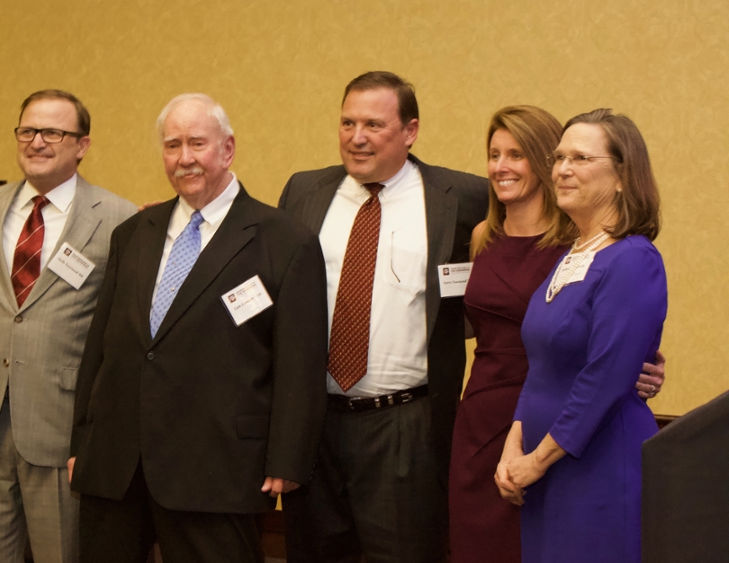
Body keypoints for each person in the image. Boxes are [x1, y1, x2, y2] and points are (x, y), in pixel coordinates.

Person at [68, 93, 328, 563]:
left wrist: (287, 457)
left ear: (227, 149)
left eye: (196, 143)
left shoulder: (284, 240)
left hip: (218, 466)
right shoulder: (133, 233)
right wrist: (81, 441)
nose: (184, 158)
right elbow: (102, 347)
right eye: (172, 146)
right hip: (116, 463)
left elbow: (300, 361)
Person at [277, 71, 487, 562]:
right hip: (314, 426)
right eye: (347, 122)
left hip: (405, 427)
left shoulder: (463, 198)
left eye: (373, 124)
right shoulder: (304, 193)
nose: (357, 137)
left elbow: (521, 278)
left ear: (410, 131)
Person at [449, 106, 665, 563]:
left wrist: (536, 459)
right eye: (560, 157)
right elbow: (541, 360)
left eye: (581, 159)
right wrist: (516, 442)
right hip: (539, 454)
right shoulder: (574, 256)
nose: (564, 169)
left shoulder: (632, 258)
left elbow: (604, 375)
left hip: (595, 459)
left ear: (623, 176)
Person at [0, 89, 136, 563]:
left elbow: (121, 327)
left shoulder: (120, 219)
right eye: (28, 131)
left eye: (53, 132)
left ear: (82, 145)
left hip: (61, 424)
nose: (37, 141)